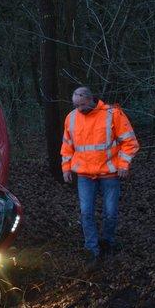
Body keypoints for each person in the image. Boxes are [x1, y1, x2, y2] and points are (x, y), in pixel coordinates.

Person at [60, 86, 139, 264]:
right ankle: (92, 250)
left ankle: (108, 242)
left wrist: (124, 164)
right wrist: (66, 168)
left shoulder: (113, 114)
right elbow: (67, 146)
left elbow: (130, 142)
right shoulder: (71, 118)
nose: (78, 109)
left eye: (81, 104)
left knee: (110, 213)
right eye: (75, 105)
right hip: (85, 175)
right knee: (86, 213)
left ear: (91, 99)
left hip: (109, 174)